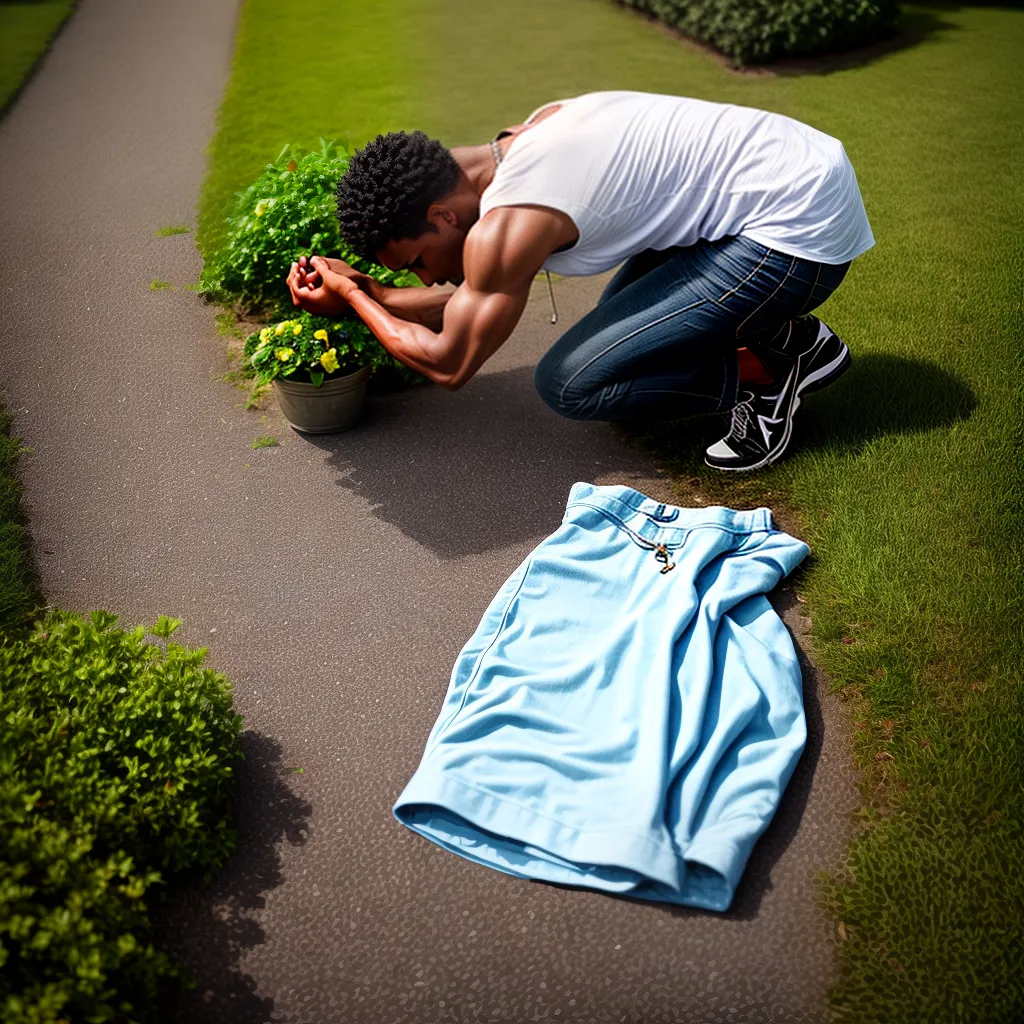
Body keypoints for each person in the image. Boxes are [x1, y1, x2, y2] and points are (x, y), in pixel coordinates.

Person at [286, 90, 874, 471]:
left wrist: (356, 297)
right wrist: (377, 294)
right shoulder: (525, 137)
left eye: (416, 259)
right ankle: (791, 340)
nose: (428, 274)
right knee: (616, 354)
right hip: (793, 176)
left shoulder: (509, 222)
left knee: (573, 383)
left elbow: (448, 362)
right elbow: (468, 294)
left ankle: (766, 377)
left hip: (796, 235)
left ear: (442, 215)